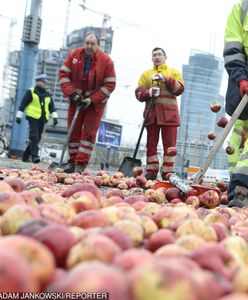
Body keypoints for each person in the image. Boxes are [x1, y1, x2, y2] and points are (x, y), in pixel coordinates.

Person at [58, 33, 116, 174]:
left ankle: (80, 164)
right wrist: (72, 94)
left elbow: (110, 84)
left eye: (92, 44)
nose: (89, 46)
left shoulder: (106, 61)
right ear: (84, 43)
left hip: (95, 103)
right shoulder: (74, 55)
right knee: (73, 132)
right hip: (75, 99)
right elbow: (63, 75)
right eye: (87, 43)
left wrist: (91, 100)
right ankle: (71, 162)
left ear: (98, 45)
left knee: (88, 134)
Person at [135, 47, 184, 180]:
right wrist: (148, 93)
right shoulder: (146, 75)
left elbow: (179, 89)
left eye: (159, 54)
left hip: (170, 116)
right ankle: (151, 170)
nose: (157, 57)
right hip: (152, 115)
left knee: (170, 146)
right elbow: (139, 94)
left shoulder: (174, 73)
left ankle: (168, 172)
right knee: (151, 144)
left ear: (165, 57)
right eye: (154, 55)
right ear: (151, 58)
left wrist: (166, 80)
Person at [224, 0, 248, 207]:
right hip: (243, 88)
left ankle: (240, 190)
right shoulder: (241, 8)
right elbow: (233, 48)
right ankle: (238, 191)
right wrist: (241, 78)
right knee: (237, 145)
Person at [15, 74, 58, 163]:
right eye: (42, 82)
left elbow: (52, 107)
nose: (44, 84)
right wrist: (19, 116)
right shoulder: (31, 92)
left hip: (42, 119)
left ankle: (25, 156)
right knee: (34, 136)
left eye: (45, 82)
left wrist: (55, 118)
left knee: (36, 139)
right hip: (32, 118)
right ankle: (34, 156)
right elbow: (23, 104)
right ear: (38, 81)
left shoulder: (47, 94)